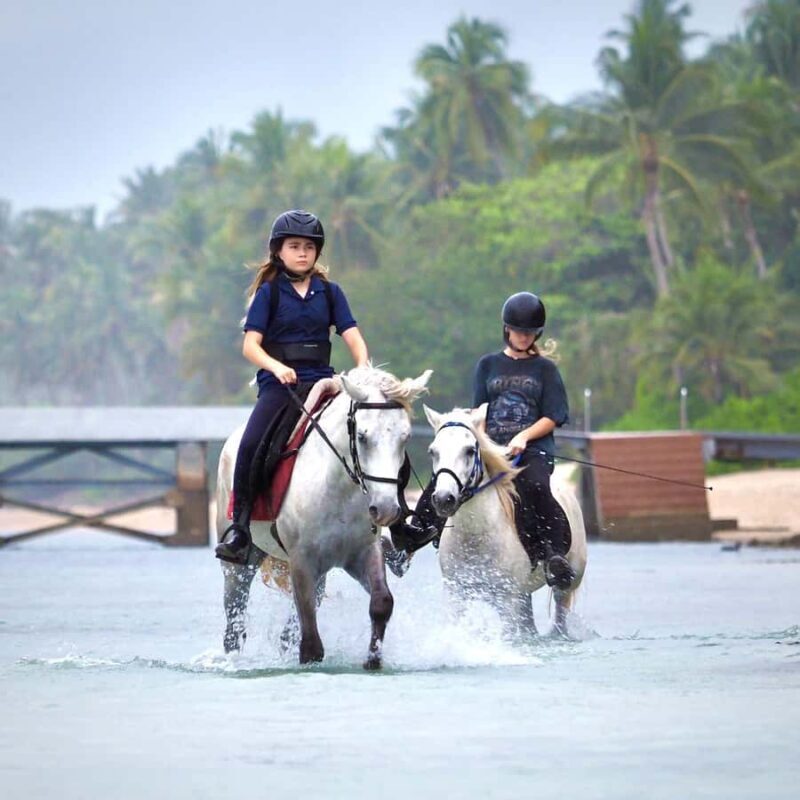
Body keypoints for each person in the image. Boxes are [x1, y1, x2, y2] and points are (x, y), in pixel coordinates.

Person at [390, 291, 575, 590]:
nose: (523, 337)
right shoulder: (487, 365)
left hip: (531, 450)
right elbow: (481, 411)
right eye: (518, 330)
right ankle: (409, 543)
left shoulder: (545, 369)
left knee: (537, 486)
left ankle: (553, 555)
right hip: (491, 447)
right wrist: (476, 439)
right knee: (446, 481)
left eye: (529, 332)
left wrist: (523, 437)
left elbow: (554, 415)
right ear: (507, 329)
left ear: (536, 333)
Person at [215, 209, 369, 564]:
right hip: (280, 387)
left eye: (309, 247)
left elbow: (353, 338)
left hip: (324, 382)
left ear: (317, 252)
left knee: (375, 428)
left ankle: (395, 522)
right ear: (278, 251)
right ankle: (239, 528)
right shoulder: (269, 293)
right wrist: (277, 366)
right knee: (252, 442)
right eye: (294, 246)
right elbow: (251, 346)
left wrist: (362, 370)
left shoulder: (331, 293)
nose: (302, 252)